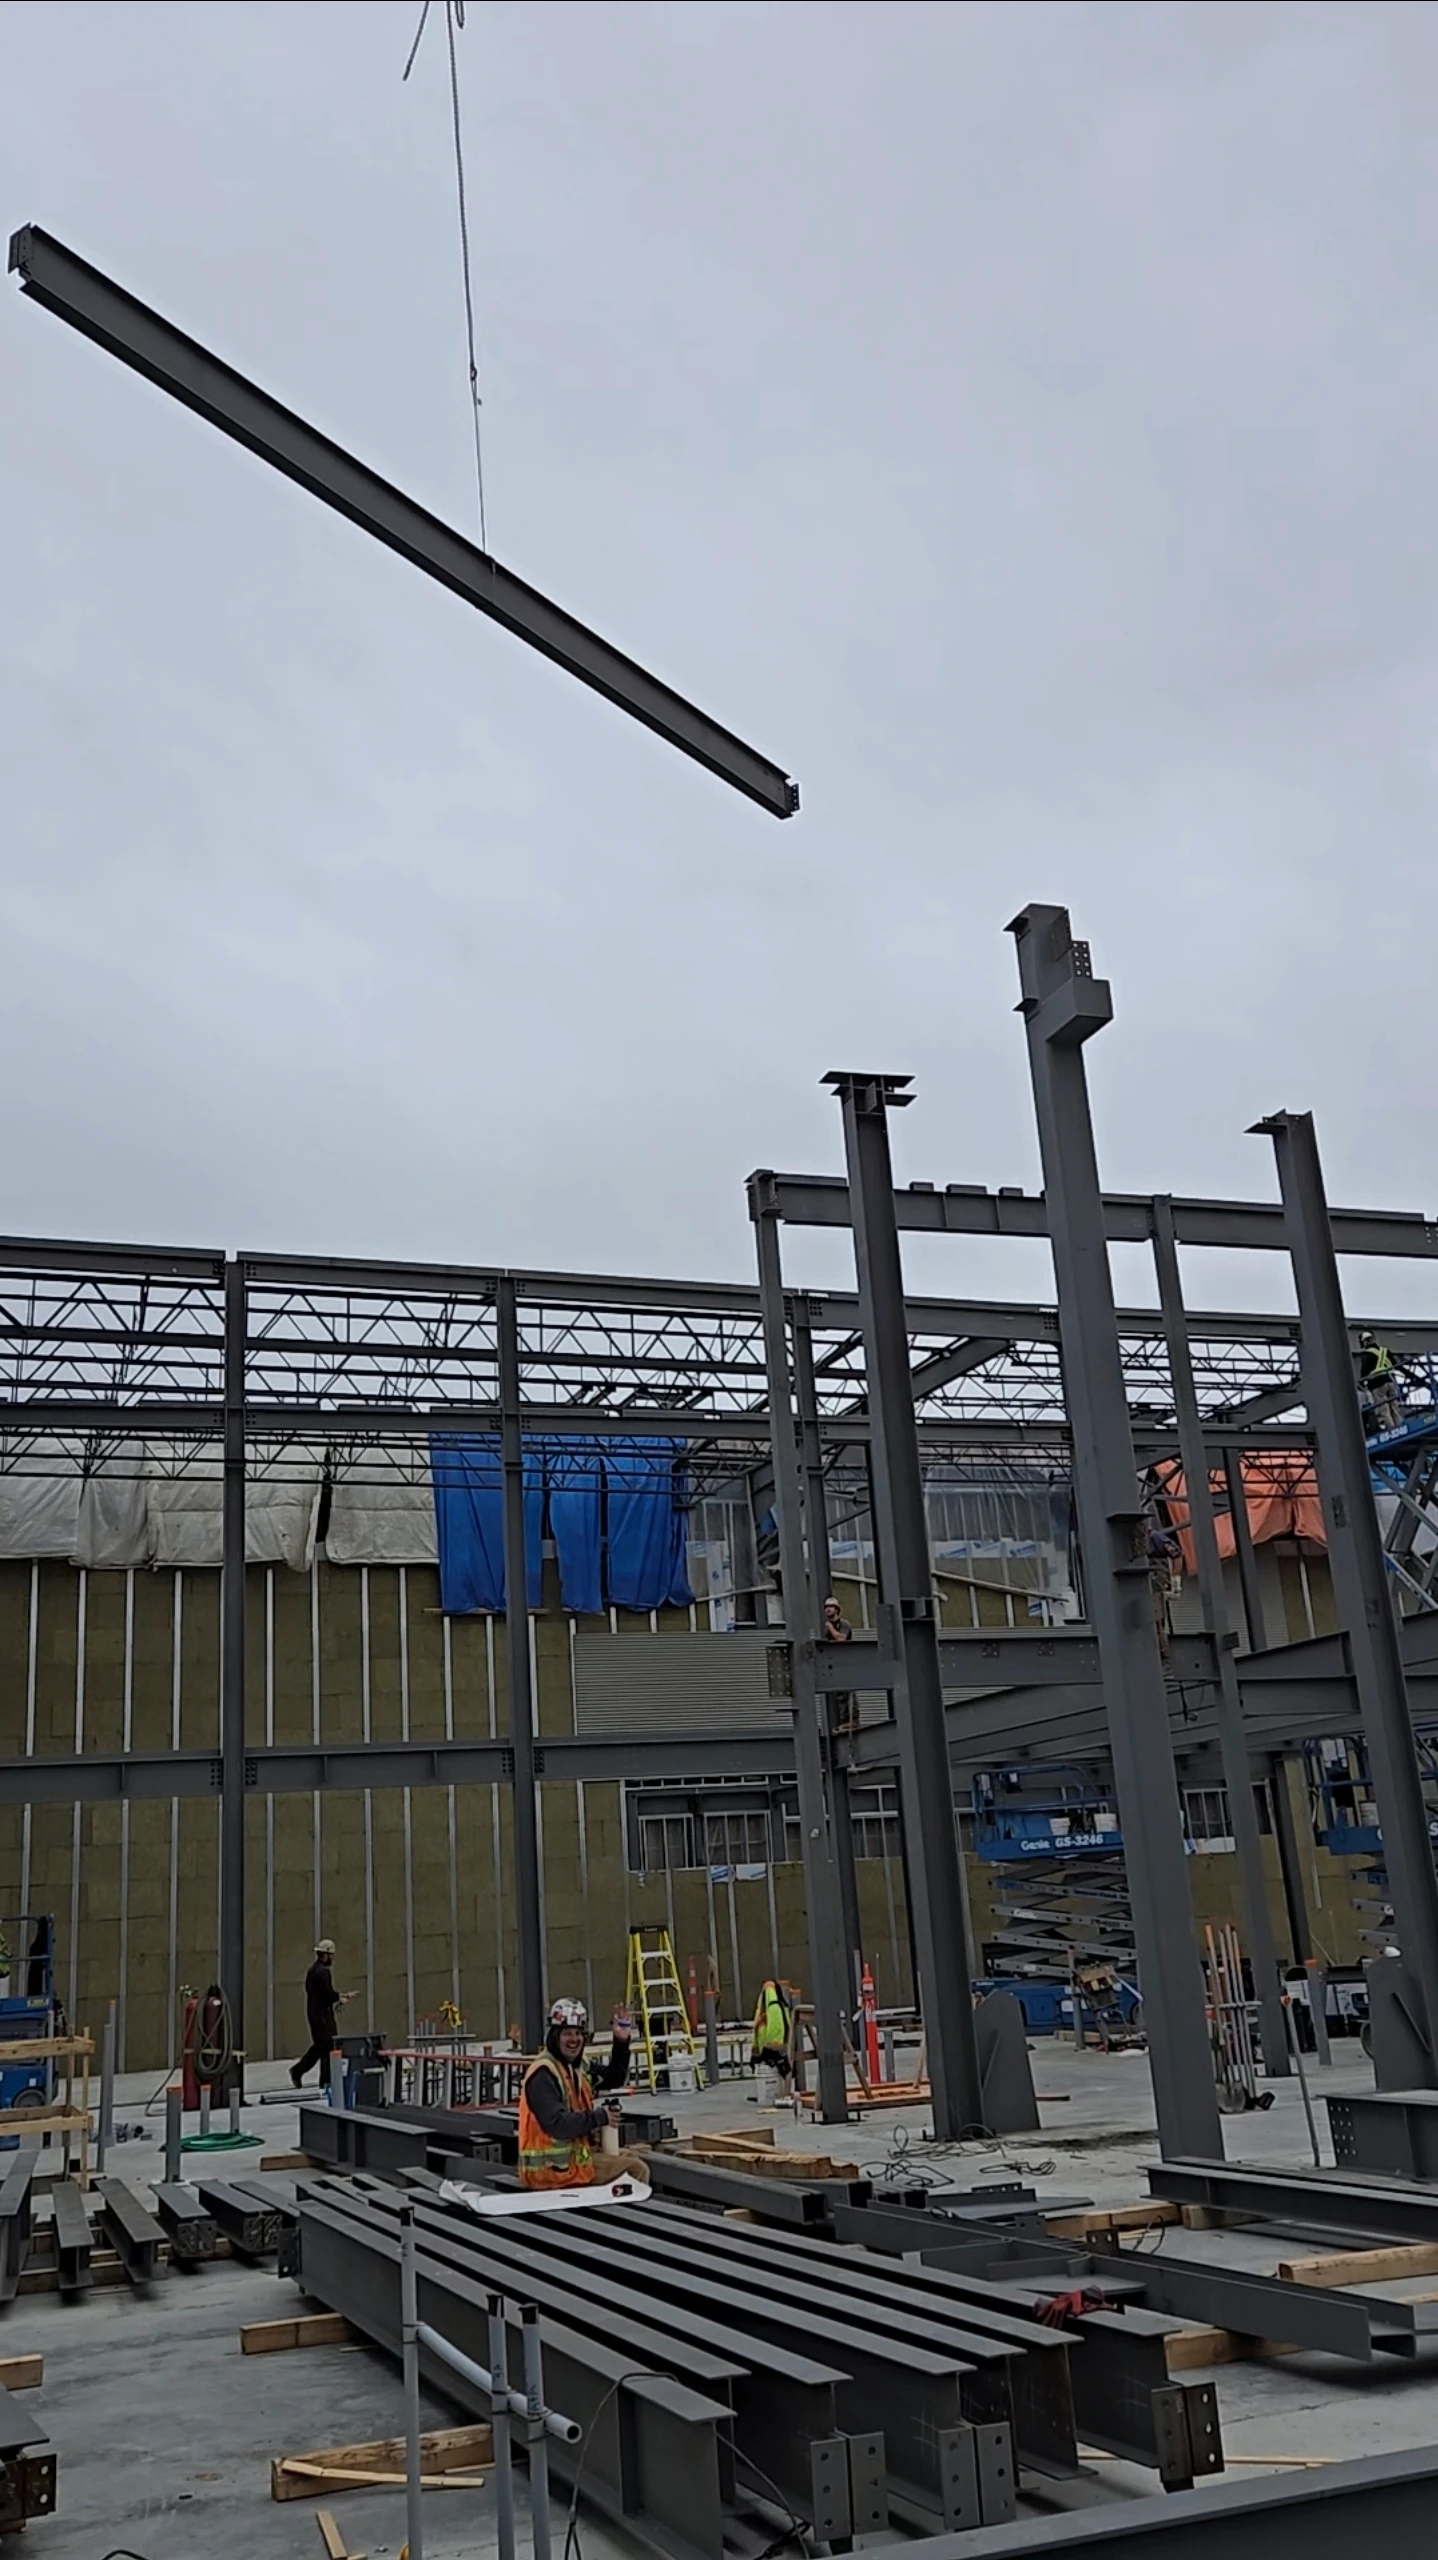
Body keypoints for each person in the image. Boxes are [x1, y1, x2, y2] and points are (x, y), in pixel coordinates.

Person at [517, 1998, 637, 2189]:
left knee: (630, 2156)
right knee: (636, 2170)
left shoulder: (576, 2068)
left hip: (571, 2163)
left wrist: (621, 2042)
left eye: (578, 2033)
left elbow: (614, 2078)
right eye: (567, 2033)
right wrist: (599, 2117)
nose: (574, 2039)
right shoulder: (543, 2073)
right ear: (555, 2036)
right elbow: (558, 2125)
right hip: (550, 2172)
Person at [290, 1937, 351, 2089]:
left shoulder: (313, 1970)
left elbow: (321, 1993)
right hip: (322, 2016)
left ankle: (298, 2071)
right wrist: (339, 1998)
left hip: (315, 2014)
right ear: (325, 1955)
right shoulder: (323, 1972)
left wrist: (338, 1996)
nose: (332, 1959)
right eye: (331, 1956)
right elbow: (327, 1993)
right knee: (328, 2048)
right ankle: (325, 2081)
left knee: (320, 2047)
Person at [750, 1976, 794, 2102]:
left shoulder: (771, 2008)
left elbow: (775, 2026)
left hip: (773, 2044)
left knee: (784, 2070)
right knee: (784, 2070)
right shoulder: (778, 2007)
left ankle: (784, 2094)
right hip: (775, 2044)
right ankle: (782, 2093)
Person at [1359, 1332, 1401, 1435]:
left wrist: (1363, 1383)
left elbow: (1364, 1371)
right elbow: (1395, 1364)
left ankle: (1391, 1431)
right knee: (1394, 1406)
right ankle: (1399, 1427)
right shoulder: (1384, 1350)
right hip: (1390, 1381)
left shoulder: (1367, 1354)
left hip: (1377, 1385)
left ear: (1364, 1342)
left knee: (1383, 1409)